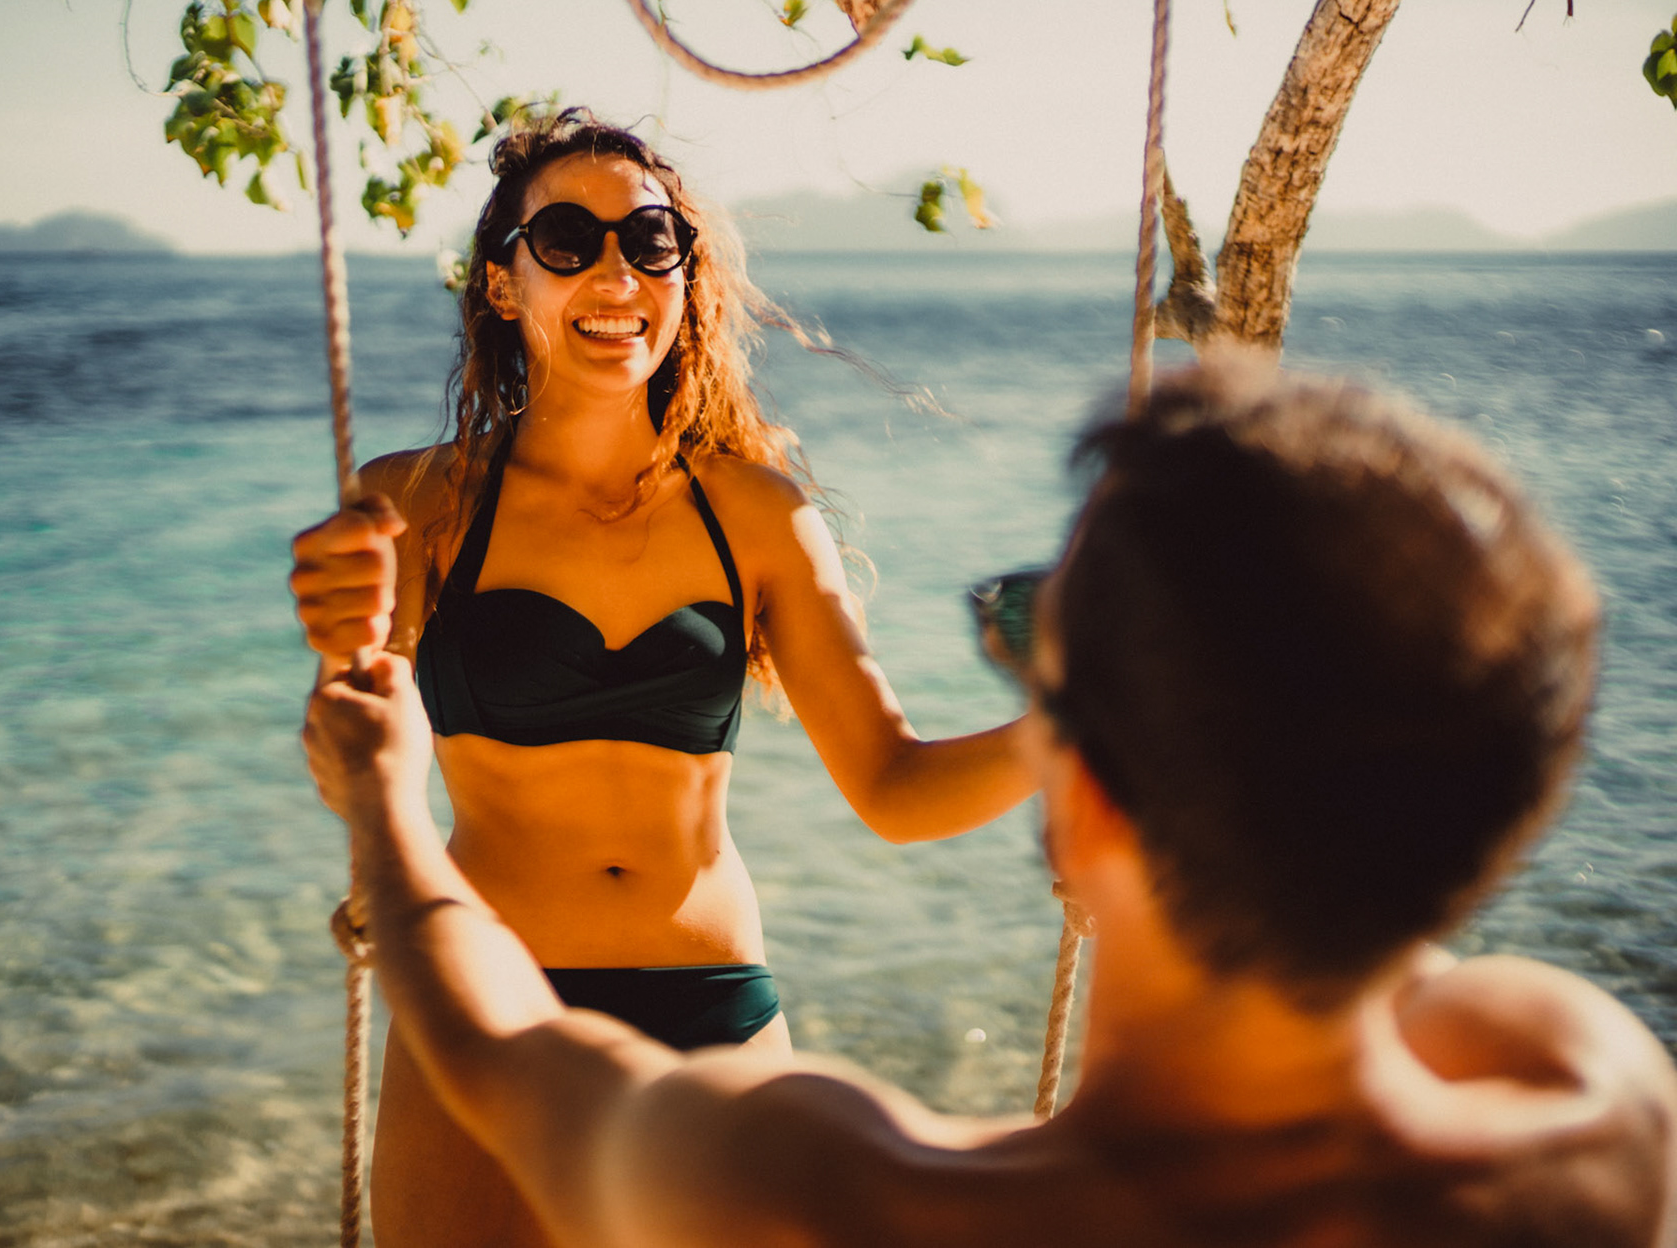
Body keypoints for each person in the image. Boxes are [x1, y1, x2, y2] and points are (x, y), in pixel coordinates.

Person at [304, 365, 1677, 1247]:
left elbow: (497, 1050)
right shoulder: (1596, 1115)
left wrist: (386, 804)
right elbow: (1369, 804)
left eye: (1026, 634)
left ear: (1083, 793)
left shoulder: (838, 1197)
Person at [289, 108, 1037, 1246]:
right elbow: (351, 753)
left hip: (710, 1007)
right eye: (566, 240)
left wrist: (1079, 730)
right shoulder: (420, 502)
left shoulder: (758, 513)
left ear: (684, 275)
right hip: (483, 994)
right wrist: (337, 633)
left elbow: (896, 785)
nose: (614, 271)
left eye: (649, 240)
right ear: (503, 284)